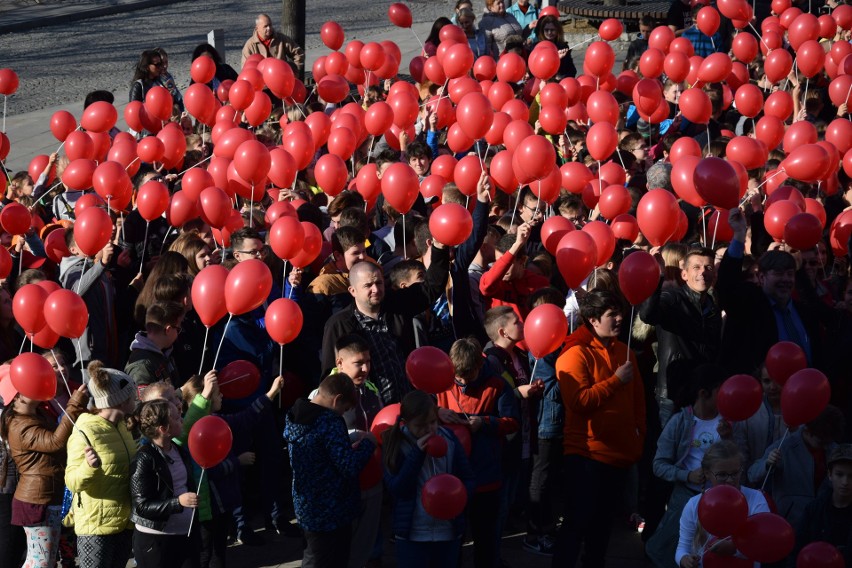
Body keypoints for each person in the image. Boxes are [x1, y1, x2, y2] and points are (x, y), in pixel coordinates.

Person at [553, 289, 646, 568]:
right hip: (586, 456)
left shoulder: (624, 350)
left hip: (618, 455)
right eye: (611, 315)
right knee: (577, 524)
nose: (619, 319)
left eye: (620, 312)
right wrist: (615, 381)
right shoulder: (573, 354)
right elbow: (579, 401)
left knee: (602, 527)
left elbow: (638, 401)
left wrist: (638, 436)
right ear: (593, 320)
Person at [321, 242, 450, 405]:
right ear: (352, 291)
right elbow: (329, 376)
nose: (375, 289)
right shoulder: (339, 325)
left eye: (379, 283)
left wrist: (439, 249)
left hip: (409, 404)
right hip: (372, 413)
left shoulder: (395, 304)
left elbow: (431, 288)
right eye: (368, 285)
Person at [437, 337, 519, 568]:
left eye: (468, 376)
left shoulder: (498, 385)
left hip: (486, 476)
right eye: (457, 377)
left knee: (486, 540)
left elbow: (512, 422)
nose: (462, 381)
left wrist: (484, 422)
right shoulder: (440, 383)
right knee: (453, 542)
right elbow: (414, 411)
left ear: (479, 366)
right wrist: (437, 412)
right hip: (451, 477)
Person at [284, 373, 377, 568]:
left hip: (307, 508)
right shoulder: (330, 422)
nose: (343, 414)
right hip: (333, 510)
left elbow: (319, 448)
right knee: (329, 560)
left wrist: (347, 439)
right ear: (337, 400)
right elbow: (348, 466)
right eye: (344, 409)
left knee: (313, 555)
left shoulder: (296, 415)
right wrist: (368, 444)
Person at [717, 208, 825, 375]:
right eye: (778, 273)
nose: (786, 280)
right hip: (761, 396)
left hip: (804, 394)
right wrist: (739, 236)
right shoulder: (749, 306)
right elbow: (726, 287)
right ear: (761, 277)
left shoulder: (803, 312)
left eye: (790, 274)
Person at [646, 365, 731, 568]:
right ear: (703, 393)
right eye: (722, 391)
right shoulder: (680, 421)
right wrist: (687, 475)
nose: (728, 396)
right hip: (685, 498)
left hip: (720, 503)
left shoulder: (729, 423)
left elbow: (741, 461)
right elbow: (658, 464)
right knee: (672, 553)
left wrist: (730, 439)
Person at [1, 375, 89, 568]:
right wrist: (73, 405)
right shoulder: (20, 425)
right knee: (40, 561)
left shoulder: (35, 415)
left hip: (45, 498)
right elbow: (54, 442)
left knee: (45, 560)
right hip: (37, 502)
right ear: (17, 396)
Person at [383, 391, 476, 568]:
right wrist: (417, 454)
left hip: (448, 533)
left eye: (433, 422)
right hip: (413, 535)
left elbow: (468, 478)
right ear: (406, 423)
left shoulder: (449, 439)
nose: (429, 429)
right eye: (420, 425)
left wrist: (457, 500)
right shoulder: (396, 444)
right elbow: (397, 488)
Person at [64, 361, 137, 568]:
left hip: (124, 523)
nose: (135, 398)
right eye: (131, 394)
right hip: (96, 527)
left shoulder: (123, 426)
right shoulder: (85, 430)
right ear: (119, 400)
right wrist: (89, 467)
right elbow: (72, 482)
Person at [639, 247, 722, 426]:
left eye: (708, 268)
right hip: (673, 392)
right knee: (670, 447)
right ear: (684, 274)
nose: (703, 273)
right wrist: (658, 277)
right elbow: (647, 315)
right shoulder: (672, 298)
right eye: (697, 267)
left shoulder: (713, 308)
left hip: (702, 393)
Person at [748, 405, 846, 529]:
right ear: (808, 431)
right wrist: (767, 464)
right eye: (821, 442)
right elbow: (752, 474)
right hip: (791, 523)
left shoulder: (833, 449)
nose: (826, 446)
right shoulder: (784, 447)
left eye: (829, 442)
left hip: (823, 521)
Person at [128, 399, 199, 568]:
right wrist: (178, 502)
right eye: (175, 417)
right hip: (156, 540)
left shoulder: (178, 450)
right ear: (163, 429)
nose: (181, 419)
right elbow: (142, 506)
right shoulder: (144, 458)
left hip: (185, 534)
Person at [676, 440, 770, 568]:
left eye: (735, 473)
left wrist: (735, 549)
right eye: (722, 475)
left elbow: (764, 544)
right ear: (707, 473)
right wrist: (685, 560)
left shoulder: (755, 499)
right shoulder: (694, 504)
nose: (730, 480)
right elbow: (682, 548)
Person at [60, 227, 119, 368]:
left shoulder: (94, 266)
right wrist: (102, 264)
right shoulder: (72, 269)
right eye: (83, 240)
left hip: (106, 343)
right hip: (90, 352)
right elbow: (76, 290)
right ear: (73, 249)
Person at [790, 444, 852, 566]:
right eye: (839, 475)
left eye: (851, 476)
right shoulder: (814, 509)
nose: (845, 482)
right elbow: (798, 549)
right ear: (830, 475)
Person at [125, 301, 184, 391]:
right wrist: (182, 392)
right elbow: (144, 404)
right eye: (178, 329)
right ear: (168, 330)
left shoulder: (164, 353)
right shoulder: (141, 366)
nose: (178, 334)